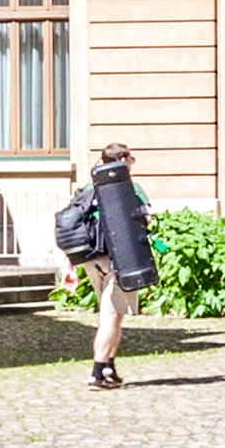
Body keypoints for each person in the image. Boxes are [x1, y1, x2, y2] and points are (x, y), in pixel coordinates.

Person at [76, 144, 154, 391]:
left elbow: (75, 224)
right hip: (120, 259)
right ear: (122, 159)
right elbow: (147, 218)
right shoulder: (132, 187)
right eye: (131, 158)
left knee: (113, 314)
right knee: (110, 317)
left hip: (91, 259)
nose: (132, 163)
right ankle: (97, 373)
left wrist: (69, 264)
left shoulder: (88, 187)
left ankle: (109, 368)